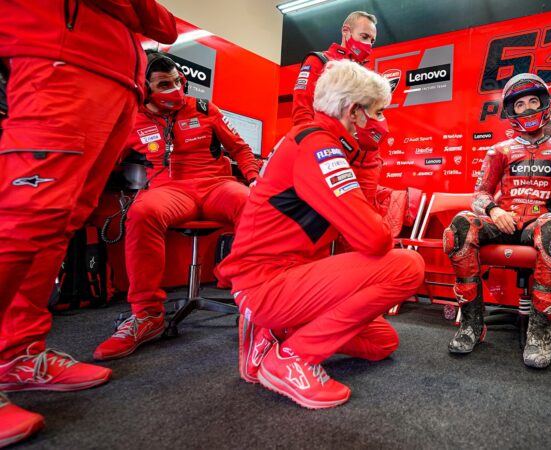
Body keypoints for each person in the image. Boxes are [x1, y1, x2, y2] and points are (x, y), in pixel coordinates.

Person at [0, 0, 177, 445]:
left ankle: (17, 353)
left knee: (59, 228)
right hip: (56, 59)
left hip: (117, 83)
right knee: (23, 222)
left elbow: (164, 26)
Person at [216, 60, 424, 410]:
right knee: (407, 266)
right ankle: (292, 358)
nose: (383, 122)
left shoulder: (322, 142)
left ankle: (272, 335)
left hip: (288, 279)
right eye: (379, 111)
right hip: (267, 284)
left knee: (381, 342)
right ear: (355, 111)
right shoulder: (318, 145)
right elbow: (374, 239)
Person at [92, 51, 261, 361]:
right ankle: (147, 315)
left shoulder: (204, 108)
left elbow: (241, 148)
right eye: (163, 84)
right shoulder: (132, 118)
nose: (174, 89)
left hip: (216, 185)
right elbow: (104, 159)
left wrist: (253, 178)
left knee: (254, 204)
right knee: (141, 212)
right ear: (144, 88)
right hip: (170, 190)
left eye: (177, 81)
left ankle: (260, 303)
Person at [444, 73, 551, 368]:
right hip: (503, 222)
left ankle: (540, 335)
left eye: (533, 101)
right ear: (511, 111)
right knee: (459, 229)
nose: (528, 109)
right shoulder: (499, 151)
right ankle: (472, 326)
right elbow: (479, 195)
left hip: (538, 225)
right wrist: (494, 211)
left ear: (544, 103)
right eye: (520, 105)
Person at [292, 11, 378, 127]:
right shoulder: (319, 61)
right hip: (323, 138)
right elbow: (302, 108)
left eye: (372, 41)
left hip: (350, 142)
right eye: (364, 37)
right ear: (345, 31)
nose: (368, 44)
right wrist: (310, 138)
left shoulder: (365, 77)